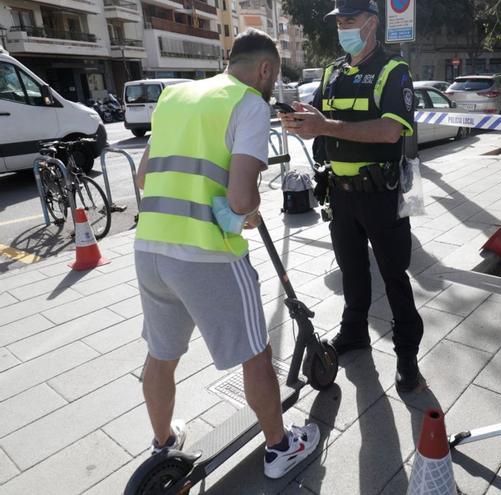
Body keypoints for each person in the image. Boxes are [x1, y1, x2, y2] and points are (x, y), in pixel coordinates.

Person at [134, 28, 319, 479]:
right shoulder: (250, 104)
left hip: (151, 248)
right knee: (256, 351)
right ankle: (280, 449)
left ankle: (164, 442)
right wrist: (248, 213)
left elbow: (142, 178)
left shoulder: (175, 96)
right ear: (265, 69)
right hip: (209, 255)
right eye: (273, 77)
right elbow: (240, 199)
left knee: (162, 354)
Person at [279, 0, 425, 392]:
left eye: (350, 19)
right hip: (340, 195)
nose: (342, 26)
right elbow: (326, 125)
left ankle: (407, 355)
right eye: (338, 20)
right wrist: (305, 120)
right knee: (352, 271)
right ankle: (354, 332)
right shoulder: (332, 72)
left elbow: (391, 131)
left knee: (395, 275)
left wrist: (326, 124)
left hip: (380, 193)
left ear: (372, 23)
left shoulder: (393, 70)